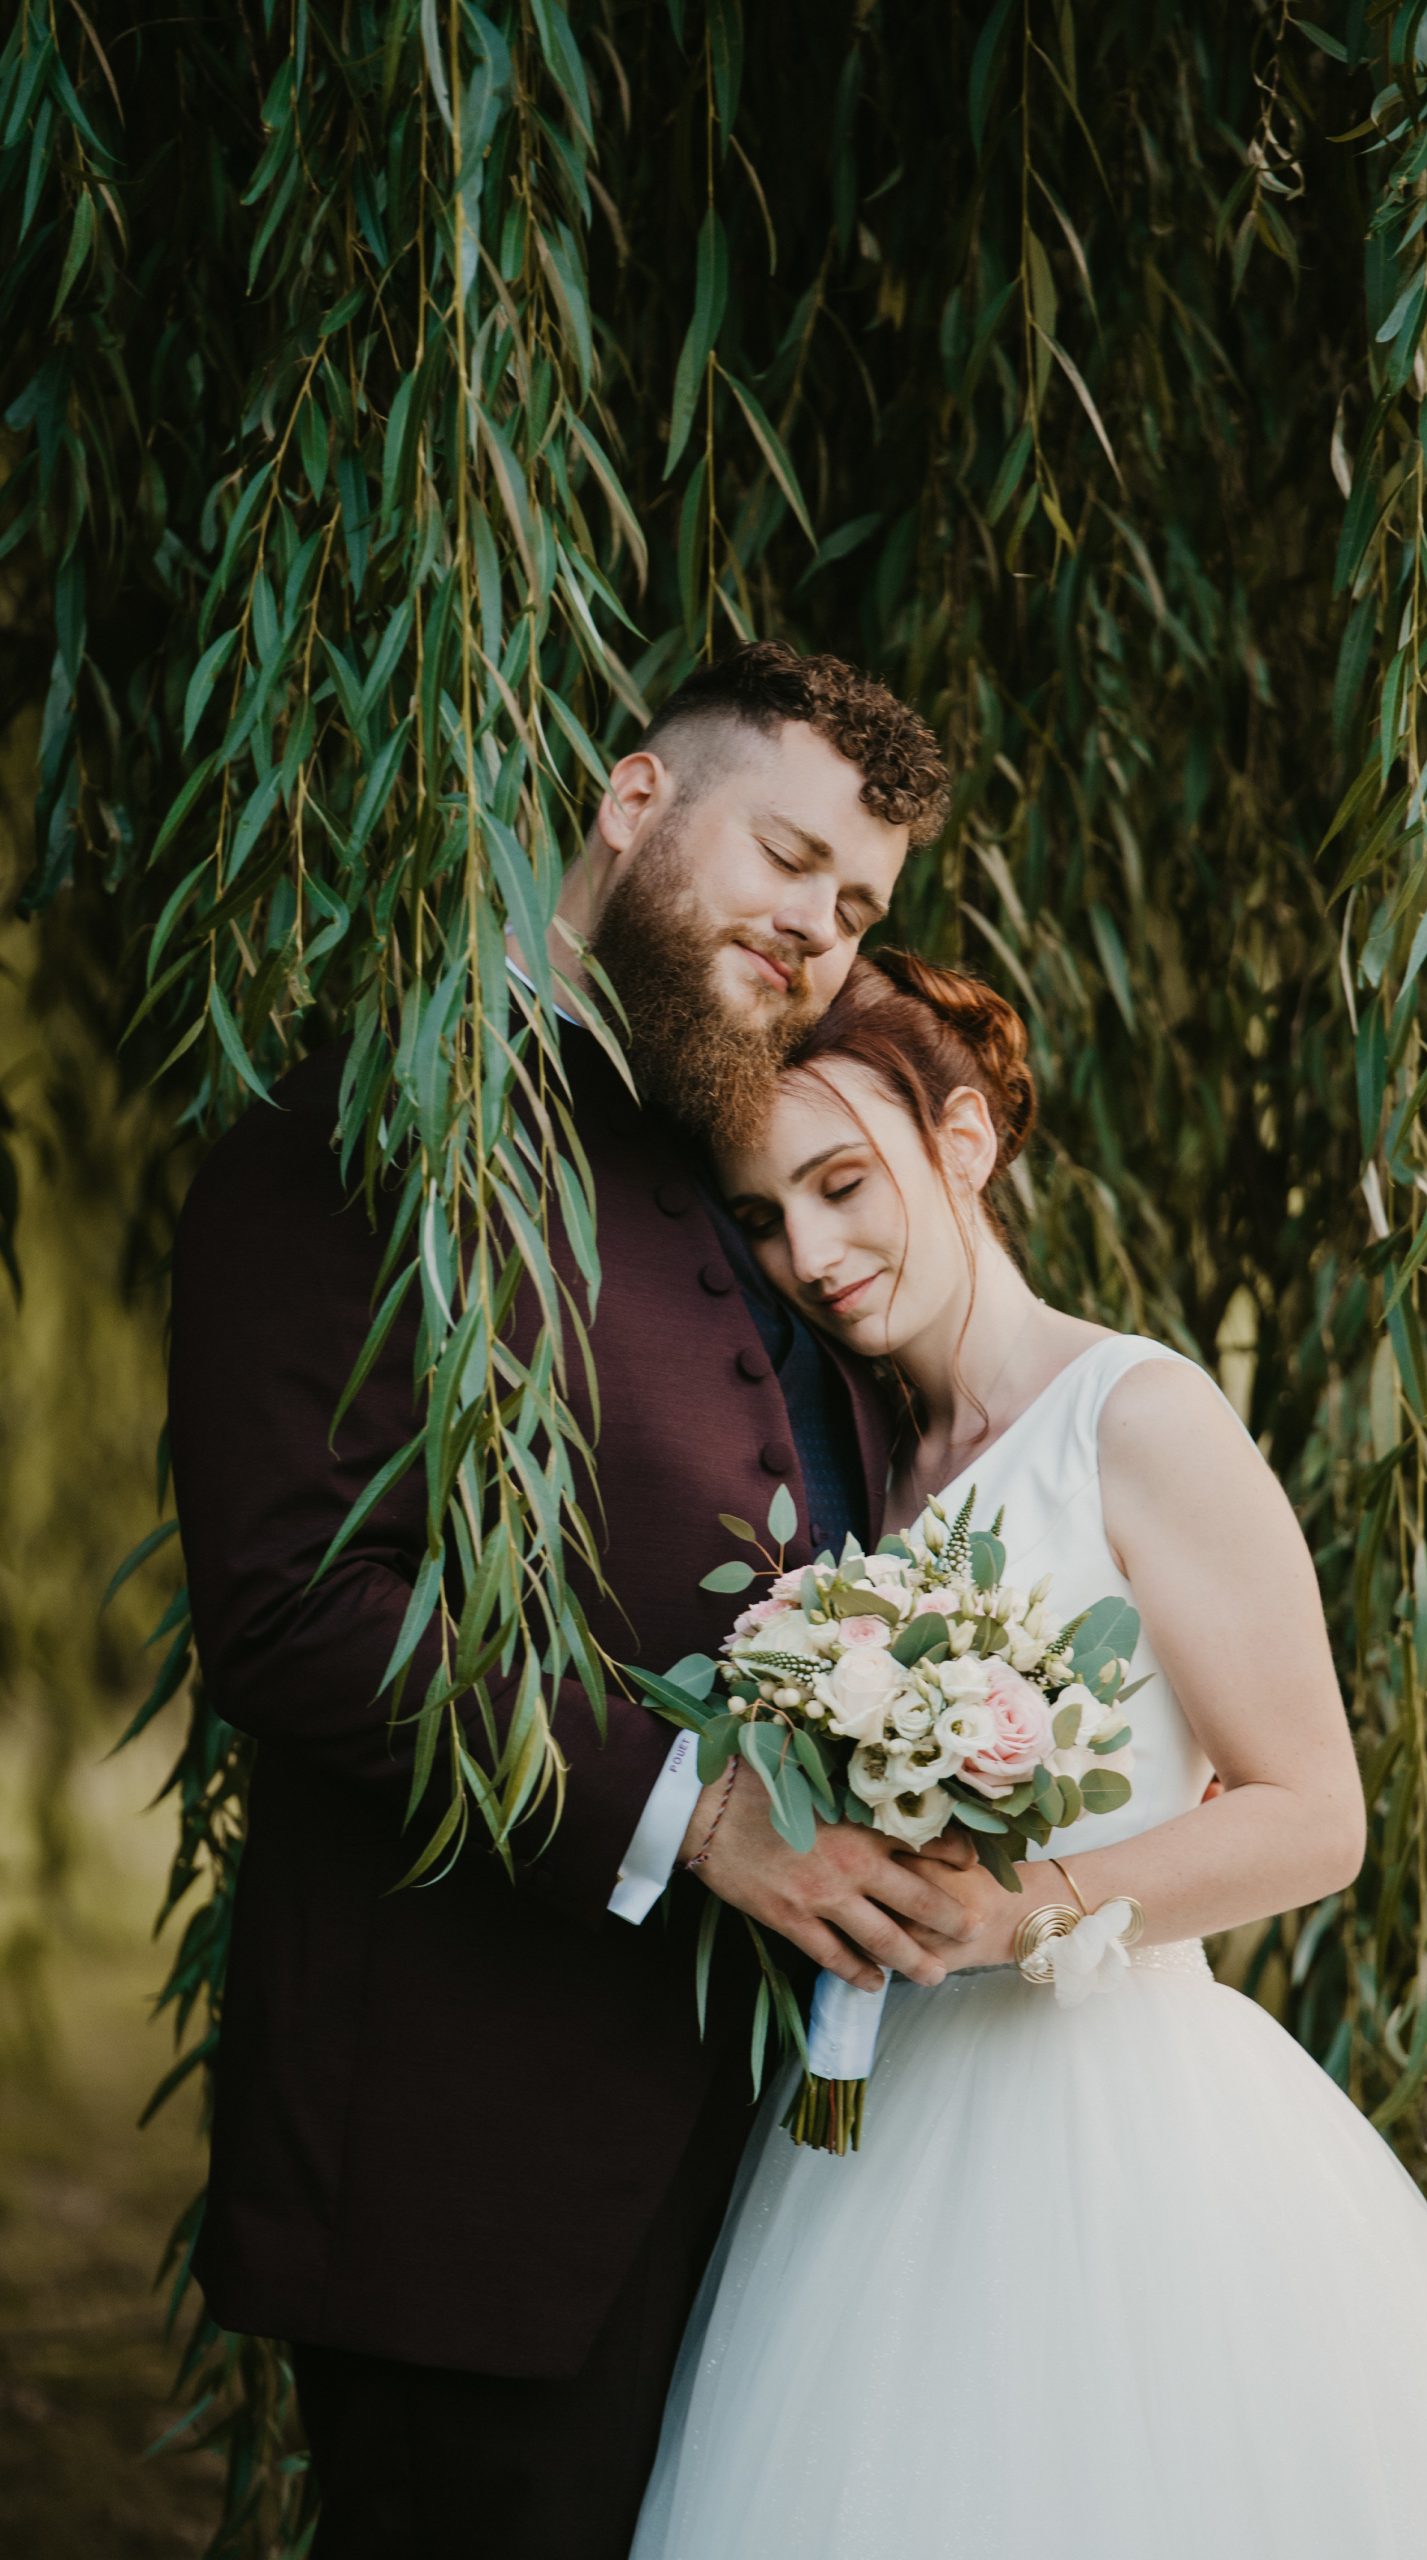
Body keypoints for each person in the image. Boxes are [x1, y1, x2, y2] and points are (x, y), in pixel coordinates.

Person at [629, 948, 1427, 2560]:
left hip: (1101, 2110)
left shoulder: (1135, 1414)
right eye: (763, 1219)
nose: (809, 1257)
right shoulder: (862, 1465)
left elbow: (1313, 1817)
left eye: (842, 1185)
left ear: (962, 1141)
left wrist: (1012, 1911)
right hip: (872, 2112)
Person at [166, 645, 982, 2560]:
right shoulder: (359, 1137)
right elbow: (288, 1607)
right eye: (788, 857)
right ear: (632, 802)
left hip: (767, 2164)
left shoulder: (763, 1176)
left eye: (859, 906)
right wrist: (697, 1813)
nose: (820, 929)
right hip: (468, 2151)